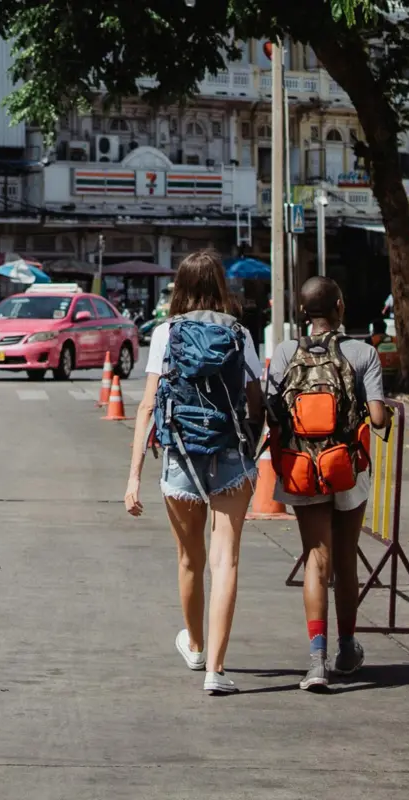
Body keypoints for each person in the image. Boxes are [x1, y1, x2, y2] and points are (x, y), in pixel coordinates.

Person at [125, 249, 264, 696]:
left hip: (180, 455)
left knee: (190, 559)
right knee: (226, 561)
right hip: (230, 455)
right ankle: (217, 671)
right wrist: (253, 450)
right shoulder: (240, 333)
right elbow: (256, 401)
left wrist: (133, 477)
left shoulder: (166, 333)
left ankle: (197, 645)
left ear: (180, 287)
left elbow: (148, 405)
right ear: (221, 285)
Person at [268, 277, 388, 692]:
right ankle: (347, 649)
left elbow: (272, 409)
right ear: (340, 305)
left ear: (303, 312)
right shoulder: (362, 353)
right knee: (345, 560)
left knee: (316, 559)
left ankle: (316, 663)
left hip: (302, 468)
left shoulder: (285, 352)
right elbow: (377, 418)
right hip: (346, 469)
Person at [369, 318, 400, 390]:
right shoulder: (395, 339)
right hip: (395, 372)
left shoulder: (371, 340)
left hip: (378, 373)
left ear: (374, 329)